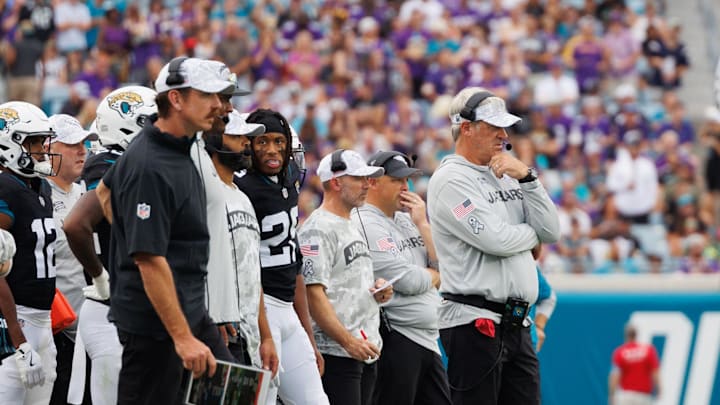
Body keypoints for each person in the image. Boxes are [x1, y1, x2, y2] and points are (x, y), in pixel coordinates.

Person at [98, 57, 236, 404]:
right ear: (176, 99)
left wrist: (133, 231)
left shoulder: (177, 145)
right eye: (208, 95)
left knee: (235, 394)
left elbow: (104, 192)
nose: (220, 105)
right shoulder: (150, 163)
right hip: (154, 326)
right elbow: (149, 260)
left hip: (186, 308)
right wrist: (182, 336)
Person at [426, 87, 560, 405]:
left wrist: (528, 177)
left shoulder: (507, 172)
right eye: (493, 126)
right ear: (467, 127)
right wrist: (532, 235)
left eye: (505, 126)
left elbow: (552, 230)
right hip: (474, 321)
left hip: (516, 324)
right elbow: (496, 240)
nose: (503, 134)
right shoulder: (450, 179)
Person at [63, 85, 158, 405]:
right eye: (152, 122)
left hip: (131, 309)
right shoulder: (107, 163)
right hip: (109, 309)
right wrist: (101, 277)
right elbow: (77, 223)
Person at [235, 109, 329, 405]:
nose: (272, 150)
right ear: (248, 145)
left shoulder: (286, 188)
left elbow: (295, 266)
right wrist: (263, 333)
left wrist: (308, 337)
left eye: (278, 141)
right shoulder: (242, 191)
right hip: (259, 309)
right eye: (262, 142)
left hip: (286, 309)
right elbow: (248, 270)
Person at [352, 150, 452, 405]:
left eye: (407, 181)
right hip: (397, 338)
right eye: (397, 180)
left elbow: (444, 267)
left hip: (427, 340)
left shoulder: (407, 219)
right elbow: (408, 281)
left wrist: (423, 224)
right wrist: (434, 274)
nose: (405, 187)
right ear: (373, 181)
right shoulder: (365, 221)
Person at [298, 149, 393, 405]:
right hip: (337, 353)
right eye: (358, 179)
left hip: (364, 349)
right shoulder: (317, 228)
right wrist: (348, 342)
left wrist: (378, 290)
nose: (366, 185)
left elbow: (345, 281)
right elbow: (312, 293)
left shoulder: (351, 223)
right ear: (336, 181)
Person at [190, 109, 279, 375]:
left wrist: (266, 336)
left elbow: (252, 273)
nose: (246, 144)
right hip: (218, 329)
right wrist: (210, 315)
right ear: (215, 141)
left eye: (247, 137)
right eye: (238, 137)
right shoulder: (202, 192)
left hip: (248, 335)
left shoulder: (243, 197)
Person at [0, 101, 59, 403]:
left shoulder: (41, 188)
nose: (41, 149)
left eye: (41, 141)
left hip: (42, 321)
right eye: (33, 141)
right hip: (13, 322)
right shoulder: (4, 188)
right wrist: (17, 339)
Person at [45, 113, 97, 405]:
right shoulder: (37, 195)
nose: (82, 150)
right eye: (72, 144)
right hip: (57, 332)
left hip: (91, 333)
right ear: (49, 147)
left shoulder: (86, 194)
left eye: (84, 143)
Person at [608, 324, 661, 405]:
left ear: (625, 335)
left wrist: (611, 394)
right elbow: (655, 373)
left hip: (626, 396)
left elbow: (615, 376)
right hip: (643, 396)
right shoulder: (648, 351)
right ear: (636, 335)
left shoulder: (620, 352)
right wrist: (659, 389)